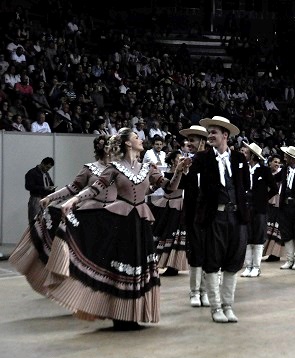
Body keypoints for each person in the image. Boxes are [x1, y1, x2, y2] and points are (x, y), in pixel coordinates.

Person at [56, 128, 189, 331]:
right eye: (136, 137)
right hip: (122, 222)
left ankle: (134, 313)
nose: (140, 140)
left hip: (141, 222)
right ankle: (120, 314)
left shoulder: (148, 168)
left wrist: (178, 171)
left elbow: (169, 187)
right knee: (122, 266)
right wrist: (73, 200)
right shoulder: (114, 168)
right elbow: (94, 189)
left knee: (140, 266)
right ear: (127, 143)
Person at [10, 138, 112, 296]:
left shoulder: (120, 169)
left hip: (115, 214)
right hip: (90, 214)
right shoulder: (90, 168)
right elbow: (73, 188)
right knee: (87, 252)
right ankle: (81, 286)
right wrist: (50, 197)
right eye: (107, 144)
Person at [193, 116, 249, 323]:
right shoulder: (202, 158)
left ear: (225, 135)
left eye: (214, 132)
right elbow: (192, 182)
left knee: (233, 261)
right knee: (213, 260)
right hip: (214, 216)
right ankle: (216, 307)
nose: (210, 136)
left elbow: (246, 187)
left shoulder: (239, 159)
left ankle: (228, 305)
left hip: (236, 216)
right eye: (209, 133)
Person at [178, 125, 210, 307]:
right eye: (187, 140)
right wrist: (181, 170)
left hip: (209, 215)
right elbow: (180, 186)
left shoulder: (211, 161)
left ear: (202, 142)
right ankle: (194, 292)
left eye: (192, 140)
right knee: (196, 252)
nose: (188, 143)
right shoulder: (186, 162)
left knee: (207, 252)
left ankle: (205, 291)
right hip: (192, 215)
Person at [148, 150, 189, 277]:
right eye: (178, 159)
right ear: (172, 161)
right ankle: (159, 263)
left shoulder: (184, 174)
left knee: (172, 234)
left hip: (177, 206)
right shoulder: (166, 174)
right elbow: (169, 189)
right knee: (161, 233)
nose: (181, 161)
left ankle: (173, 265)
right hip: (166, 205)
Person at [240, 142, 277, 277]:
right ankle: (248, 266)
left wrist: (263, 198)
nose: (244, 154)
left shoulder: (264, 170)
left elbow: (274, 188)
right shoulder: (243, 169)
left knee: (258, 237)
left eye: (246, 153)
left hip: (260, 209)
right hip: (246, 207)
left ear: (253, 156)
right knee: (247, 237)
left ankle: (256, 266)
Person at [25, 157, 55, 224]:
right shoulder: (32, 173)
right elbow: (29, 186)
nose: (47, 169)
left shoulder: (46, 173)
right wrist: (44, 188)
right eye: (47, 167)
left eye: (49, 168)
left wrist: (52, 189)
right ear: (42, 163)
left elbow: (50, 183)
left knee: (46, 222)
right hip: (36, 198)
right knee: (35, 221)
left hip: (45, 199)